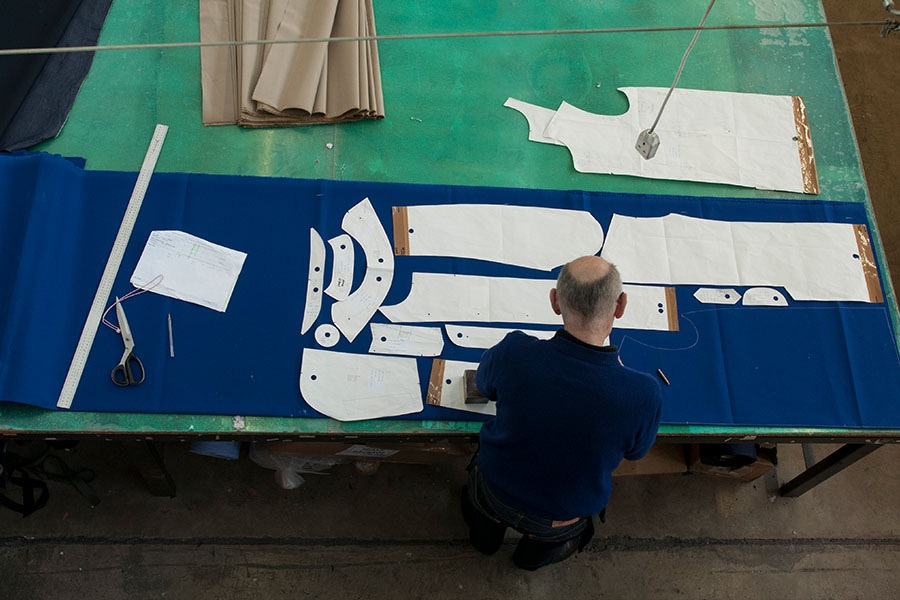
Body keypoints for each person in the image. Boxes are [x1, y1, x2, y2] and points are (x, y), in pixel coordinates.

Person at [461, 255, 662, 570]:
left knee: (483, 524)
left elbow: (484, 386)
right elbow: (636, 454)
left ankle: (484, 542)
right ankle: (529, 561)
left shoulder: (515, 353)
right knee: (543, 549)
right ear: (621, 306)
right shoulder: (643, 394)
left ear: (555, 301)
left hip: (495, 489)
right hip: (560, 515)